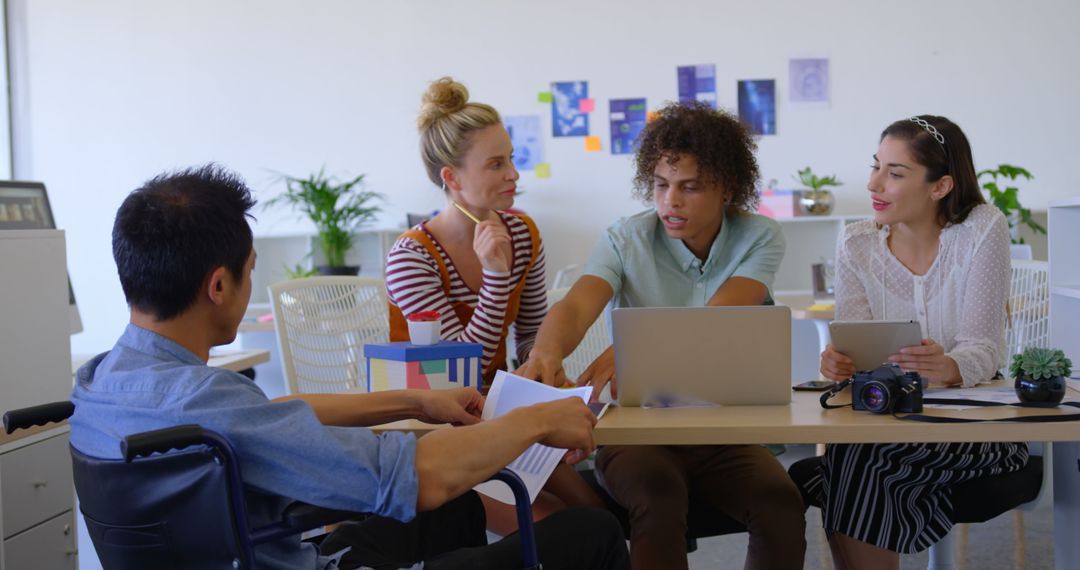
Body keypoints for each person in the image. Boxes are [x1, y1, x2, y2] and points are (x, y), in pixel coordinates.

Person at [69, 165, 629, 570]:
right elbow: (418, 475)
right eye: (249, 271)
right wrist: (535, 422)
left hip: (263, 549)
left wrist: (415, 400)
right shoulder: (211, 405)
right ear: (219, 285)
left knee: (459, 509)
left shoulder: (101, 382)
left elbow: (265, 417)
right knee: (591, 531)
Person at [517, 102, 806, 570]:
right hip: (638, 432)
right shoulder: (624, 238)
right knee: (658, 496)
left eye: (690, 187)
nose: (671, 200)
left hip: (720, 432)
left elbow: (719, 315)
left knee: (779, 501)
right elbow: (576, 305)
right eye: (660, 185)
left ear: (728, 189)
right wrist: (545, 351)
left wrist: (633, 354)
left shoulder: (759, 236)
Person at [385, 77, 602, 534]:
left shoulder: (522, 232)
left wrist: (546, 388)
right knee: (561, 529)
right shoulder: (411, 257)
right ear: (452, 177)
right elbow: (461, 371)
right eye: (497, 164)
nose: (514, 175)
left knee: (599, 516)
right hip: (435, 430)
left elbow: (531, 338)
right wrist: (496, 278)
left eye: (513, 160)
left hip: (500, 412)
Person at [813, 116, 1027, 569]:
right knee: (853, 460)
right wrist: (839, 362)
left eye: (895, 173)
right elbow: (857, 345)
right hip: (886, 420)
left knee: (848, 467)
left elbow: (984, 348)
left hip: (980, 428)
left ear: (940, 186)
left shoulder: (981, 229)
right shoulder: (856, 243)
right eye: (876, 166)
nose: (874, 183)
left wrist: (948, 366)